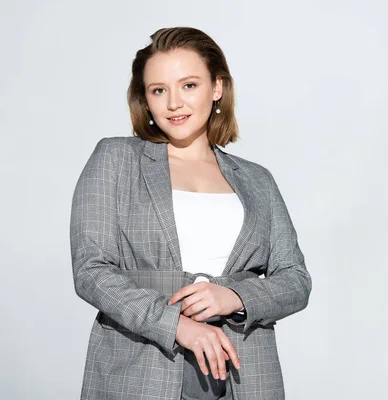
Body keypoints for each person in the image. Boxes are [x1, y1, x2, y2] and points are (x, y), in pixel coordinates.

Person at [69, 27, 311, 400]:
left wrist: (235, 297)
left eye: (189, 85)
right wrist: (176, 324)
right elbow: (91, 270)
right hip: (142, 366)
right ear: (145, 100)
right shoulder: (116, 160)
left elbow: (295, 280)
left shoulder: (257, 180)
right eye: (158, 90)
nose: (174, 103)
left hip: (244, 371)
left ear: (217, 88)